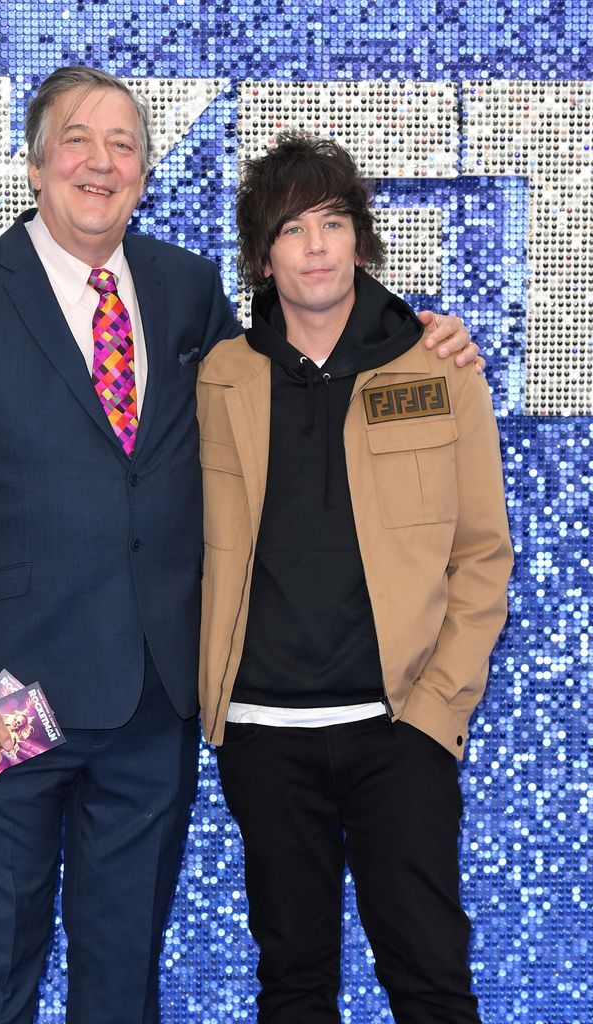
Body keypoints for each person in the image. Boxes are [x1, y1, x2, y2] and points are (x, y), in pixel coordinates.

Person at [0, 65, 480, 1024]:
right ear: (34, 165)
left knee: (124, 974)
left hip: (153, 701)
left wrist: (423, 336)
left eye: (124, 146)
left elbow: (301, 354)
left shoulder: (186, 291)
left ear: (145, 174)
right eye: (78, 140)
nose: (100, 163)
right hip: (2, 699)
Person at [197, 134, 512, 1024]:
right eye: (293, 229)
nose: (318, 246)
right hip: (264, 733)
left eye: (334, 223)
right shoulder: (222, 374)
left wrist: (438, 710)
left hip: (399, 729)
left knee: (432, 982)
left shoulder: (436, 364)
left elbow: (482, 552)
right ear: (265, 256)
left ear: (363, 242)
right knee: (294, 988)